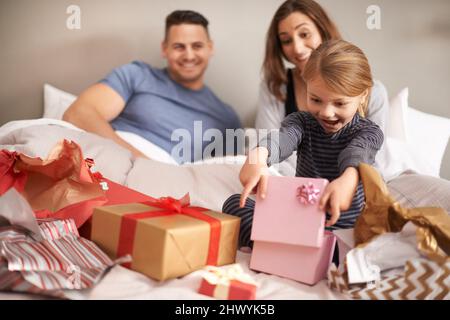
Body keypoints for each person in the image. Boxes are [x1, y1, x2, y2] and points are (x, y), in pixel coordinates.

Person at [223, 40, 384, 250]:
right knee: (234, 203)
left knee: (368, 241)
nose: (326, 112)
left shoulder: (368, 132)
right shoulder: (301, 122)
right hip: (299, 221)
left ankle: (284, 247)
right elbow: (282, 139)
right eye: (316, 100)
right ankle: (284, 246)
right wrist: (258, 156)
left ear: (363, 95)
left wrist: (349, 178)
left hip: (340, 231)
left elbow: (357, 154)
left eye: (339, 103)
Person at [63, 10, 241, 163]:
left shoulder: (226, 118)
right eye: (179, 47)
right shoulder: (137, 75)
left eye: (197, 46)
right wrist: (139, 161)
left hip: (163, 181)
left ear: (210, 48)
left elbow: (226, 172)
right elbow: (78, 114)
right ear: (165, 49)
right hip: (108, 156)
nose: (189, 55)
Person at [255, 0, 388, 176]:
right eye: (286, 40)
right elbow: (278, 140)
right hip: (296, 184)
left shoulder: (372, 106)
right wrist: (261, 154)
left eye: (304, 34)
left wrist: (347, 179)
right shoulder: (293, 112)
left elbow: (370, 158)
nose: (297, 48)